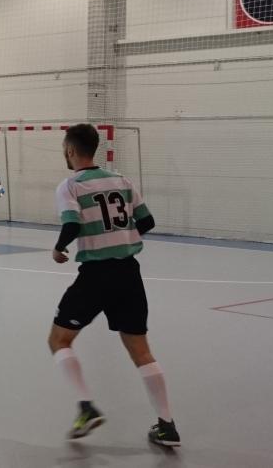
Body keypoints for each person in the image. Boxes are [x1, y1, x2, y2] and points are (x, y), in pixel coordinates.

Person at [47, 124, 179, 447]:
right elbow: (146, 221)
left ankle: (86, 407)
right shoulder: (122, 181)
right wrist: (122, 237)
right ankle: (167, 426)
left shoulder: (70, 185)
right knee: (141, 350)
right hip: (128, 273)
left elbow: (71, 224)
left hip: (95, 276)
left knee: (59, 340)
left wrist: (59, 248)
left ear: (70, 150)